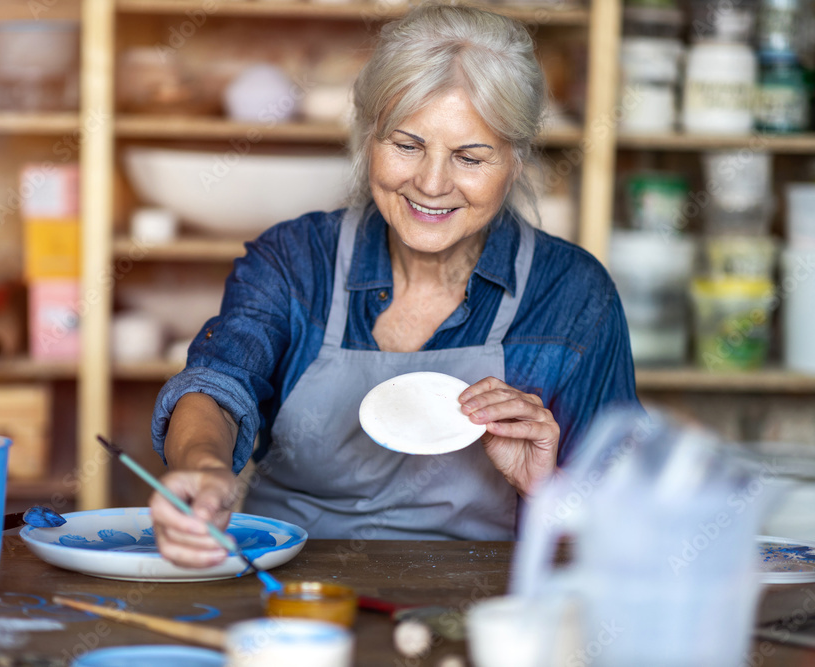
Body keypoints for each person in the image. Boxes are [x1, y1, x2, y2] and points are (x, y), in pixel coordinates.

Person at [149, 2, 639, 568]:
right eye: (406, 145)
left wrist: (548, 490)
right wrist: (206, 467)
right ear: (368, 136)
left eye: (470, 156)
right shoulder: (295, 260)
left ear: (517, 159)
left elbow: (630, 526)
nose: (431, 184)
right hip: (288, 588)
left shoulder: (574, 295)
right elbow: (216, 384)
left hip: (471, 608)